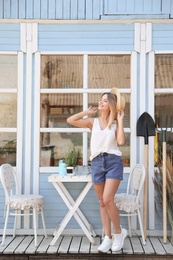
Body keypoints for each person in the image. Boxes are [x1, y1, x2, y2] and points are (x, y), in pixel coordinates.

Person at [67, 88, 127, 253]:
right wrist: (86, 112)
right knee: (102, 202)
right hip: (96, 162)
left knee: (108, 199)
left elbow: (121, 141)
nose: (101, 102)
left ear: (111, 105)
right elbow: (70, 119)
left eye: (105, 100)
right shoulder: (91, 122)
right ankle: (107, 237)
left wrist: (120, 121)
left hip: (113, 161)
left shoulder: (115, 124)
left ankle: (118, 232)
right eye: (101, 99)